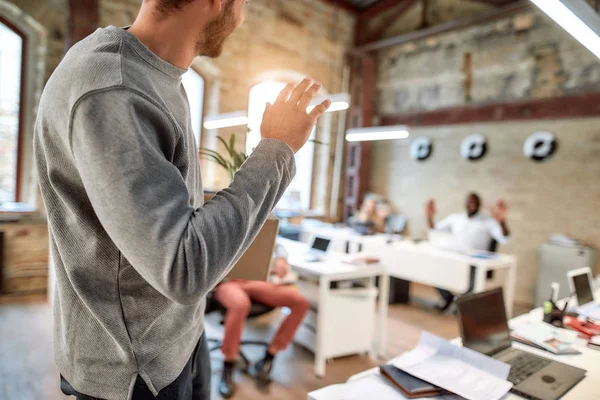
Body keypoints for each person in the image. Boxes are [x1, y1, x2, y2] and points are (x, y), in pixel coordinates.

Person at [33, 0, 331, 398]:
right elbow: (182, 267)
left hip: (178, 338)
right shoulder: (114, 89)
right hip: (136, 369)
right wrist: (276, 148)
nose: (243, 14)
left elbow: (155, 207)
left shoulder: (155, 74)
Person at [214, 244, 309, 398]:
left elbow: (278, 245)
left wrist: (280, 259)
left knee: (300, 302)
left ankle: (269, 357)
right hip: (228, 281)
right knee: (240, 304)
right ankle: (228, 363)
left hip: (255, 280)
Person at [425, 193, 510, 312]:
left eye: (475, 202)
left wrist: (502, 221)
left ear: (480, 204)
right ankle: (449, 298)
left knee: (470, 283)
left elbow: (504, 238)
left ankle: (460, 304)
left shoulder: (488, 222)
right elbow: (434, 228)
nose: (472, 205)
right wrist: (429, 216)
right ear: (465, 203)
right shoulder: (456, 218)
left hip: (474, 263)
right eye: (470, 202)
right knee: (433, 268)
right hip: (455, 257)